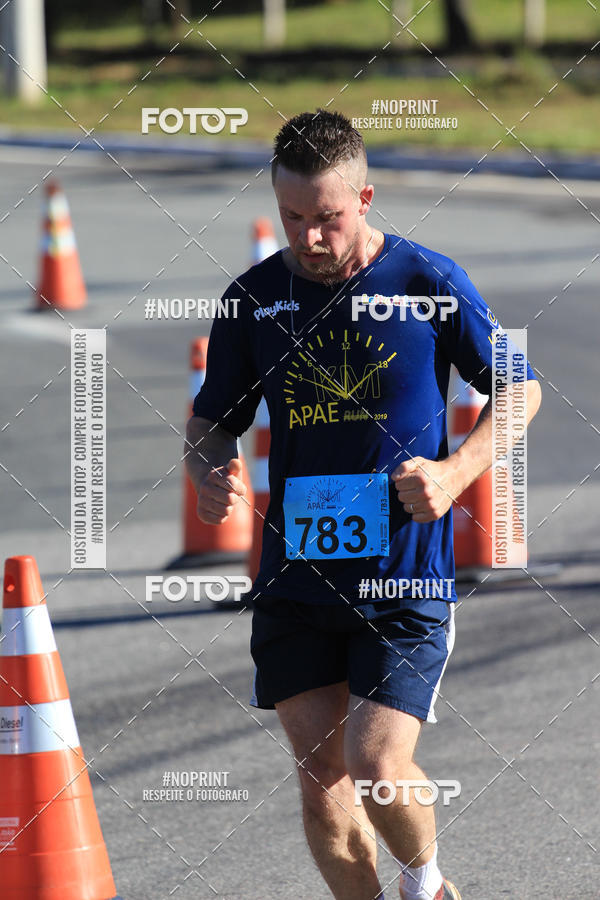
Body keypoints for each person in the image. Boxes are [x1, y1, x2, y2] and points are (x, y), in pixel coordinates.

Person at [185, 109, 541, 900]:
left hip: (402, 577)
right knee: (322, 785)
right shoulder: (254, 299)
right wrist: (210, 470)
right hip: (297, 580)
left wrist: (455, 473)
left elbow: (521, 389)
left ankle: (426, 884)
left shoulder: (426, 281)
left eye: (328, 219)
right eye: (293, 219)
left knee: (376, 769)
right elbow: (213, 419)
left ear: (367, 198)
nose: (310, 239)